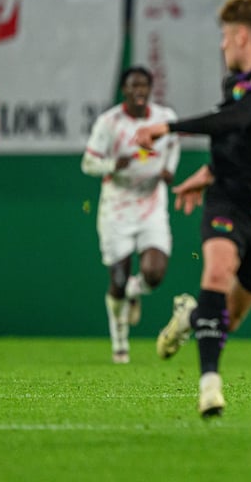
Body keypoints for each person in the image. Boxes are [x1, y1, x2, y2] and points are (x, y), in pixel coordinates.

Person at [134, 0, 251, 417]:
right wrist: (209, 173)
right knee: (217, 270)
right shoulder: (235, 84)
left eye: (224, 37)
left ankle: (191, 316)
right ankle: (209, 387)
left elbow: (236, 119)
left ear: (240, 36)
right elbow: (238, 138)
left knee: (227, 319)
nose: (221, 46)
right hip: (229, 199)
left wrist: (168, 128)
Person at [82, 66, 180, 364]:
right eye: (133, 86)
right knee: (118, 280)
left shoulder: (165, 118)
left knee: (155, 273)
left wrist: (169, 169)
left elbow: (173, 144)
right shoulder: (109, 122)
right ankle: (120, 342)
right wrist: (113, 164)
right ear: (124, 90)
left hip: (151, 203)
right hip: (117, 206)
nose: (139, 91)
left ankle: (136, 291)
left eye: (144, 86)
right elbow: (88, 163)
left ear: (150, 89)